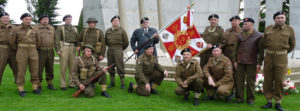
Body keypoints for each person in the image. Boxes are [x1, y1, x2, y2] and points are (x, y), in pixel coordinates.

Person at [261, 11, 295, 111]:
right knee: (268, 80)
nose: (280, 19)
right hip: (269, 56)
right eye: (278, 18)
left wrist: (283, 52)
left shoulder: (289, 30)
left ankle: (278, 102)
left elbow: (292, 44)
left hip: (281, 57)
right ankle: (269, 101)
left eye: (282, 17)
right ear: (274, 19)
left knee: (279, 80)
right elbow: (263, 43)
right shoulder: (268, 29)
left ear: (285, 19)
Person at [233, 18, 264, 105]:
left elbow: (261, 51)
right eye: (244, 24)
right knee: (239, 81)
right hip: (240, 61)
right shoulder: (240, 35)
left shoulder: (258, 35)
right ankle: (239, 98)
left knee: (251, 81)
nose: (244, 25)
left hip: (252, 62)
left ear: (252, 24)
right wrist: (235, 61)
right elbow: (235, 49)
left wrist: (259, 63)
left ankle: (250, 99)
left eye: (246, 24)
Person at [9, 13, 41, 97]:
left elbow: (39, 41)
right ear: (22, 20)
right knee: (21, 70)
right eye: (26, 19)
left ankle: (35, 87)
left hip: (33, 50)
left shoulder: (35, 29)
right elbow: (12, 42)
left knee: (34, 69)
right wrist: (19, 48)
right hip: (21, 50)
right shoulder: (16, 29)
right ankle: (21, 88)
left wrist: (33, 48)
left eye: (30, 19)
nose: (28, 21)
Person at [78, 17, 110, 97]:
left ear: (95, 24)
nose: (92, 24)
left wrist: (102, 54)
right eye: (90, 23)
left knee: (95, 70)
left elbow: (103, 44)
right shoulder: (84, 31)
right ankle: (82, 83)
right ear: (88, 24)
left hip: (95, 55)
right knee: (83, 69)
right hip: (84, 55)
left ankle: (93, 84)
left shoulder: (99, 32)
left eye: (93, 23)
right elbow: (79, 40)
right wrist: (78, 47)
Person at [54, 14, 79, 90]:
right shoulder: (60, 28)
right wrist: (58, 49)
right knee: (63, 66)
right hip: (64, 47)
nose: (69, 20)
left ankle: (71, 83)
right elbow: (57, 39)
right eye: (67, 19)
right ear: (64, 20)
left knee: (72, 66)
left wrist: (78, 46)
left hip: (72, 47)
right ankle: (63, 84)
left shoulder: (75, 29)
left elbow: (78, 39)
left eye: (70, 19)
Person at [105, 15, 129, 89]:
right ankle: (112, 83)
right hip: (110, 50)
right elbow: (105, 41)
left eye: (117, 21)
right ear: (112, 22)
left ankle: (122, 84)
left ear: (119, 22)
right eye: (114, 20)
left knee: (120, 66)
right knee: (110, 66)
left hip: (118, 49)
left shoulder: (122, 30)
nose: (116, 22)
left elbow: (126, 42)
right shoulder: (108, 30)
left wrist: (120, 49)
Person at [223, 15, 242, 98]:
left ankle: (234, 91)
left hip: (236, 53)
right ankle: (225, 89)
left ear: (239, 22)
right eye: (232, 21)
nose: (234, 22)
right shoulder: (227, 31)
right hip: (226, 52)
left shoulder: (242, 31)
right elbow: (223, 41)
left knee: (236, 73)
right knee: (227, 72)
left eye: (236, 20)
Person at [36, 14, 56, 90]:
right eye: (43, 19)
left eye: (46, 19)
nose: (45, 20)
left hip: (50, 51)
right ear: (40, 20)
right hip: (40, 51)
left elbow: (55, 39)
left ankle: (50, 83)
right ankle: (39, 84)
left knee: (50, 68)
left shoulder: (52, 28)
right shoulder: (36, 28)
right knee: (39, 68)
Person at [0, 12, 18, 85]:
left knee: (17, 68)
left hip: (13, 50)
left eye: (7, 18)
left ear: (9, 19)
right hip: (1, 49)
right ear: (0, 19)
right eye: (4, 18)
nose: (5, 19)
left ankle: (19, 85)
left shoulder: (14, 28)